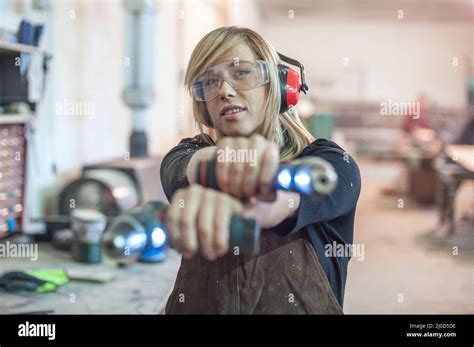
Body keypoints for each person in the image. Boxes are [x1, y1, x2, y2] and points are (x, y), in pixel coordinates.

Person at [160, 26, 361, 314]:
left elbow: (289, 198)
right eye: (210, 81)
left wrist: (266, 200)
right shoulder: (188, 154)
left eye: (241, 73)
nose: (225, 91)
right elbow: (178, 170)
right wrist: (220, 166)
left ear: (278, 86)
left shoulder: (331, 163)